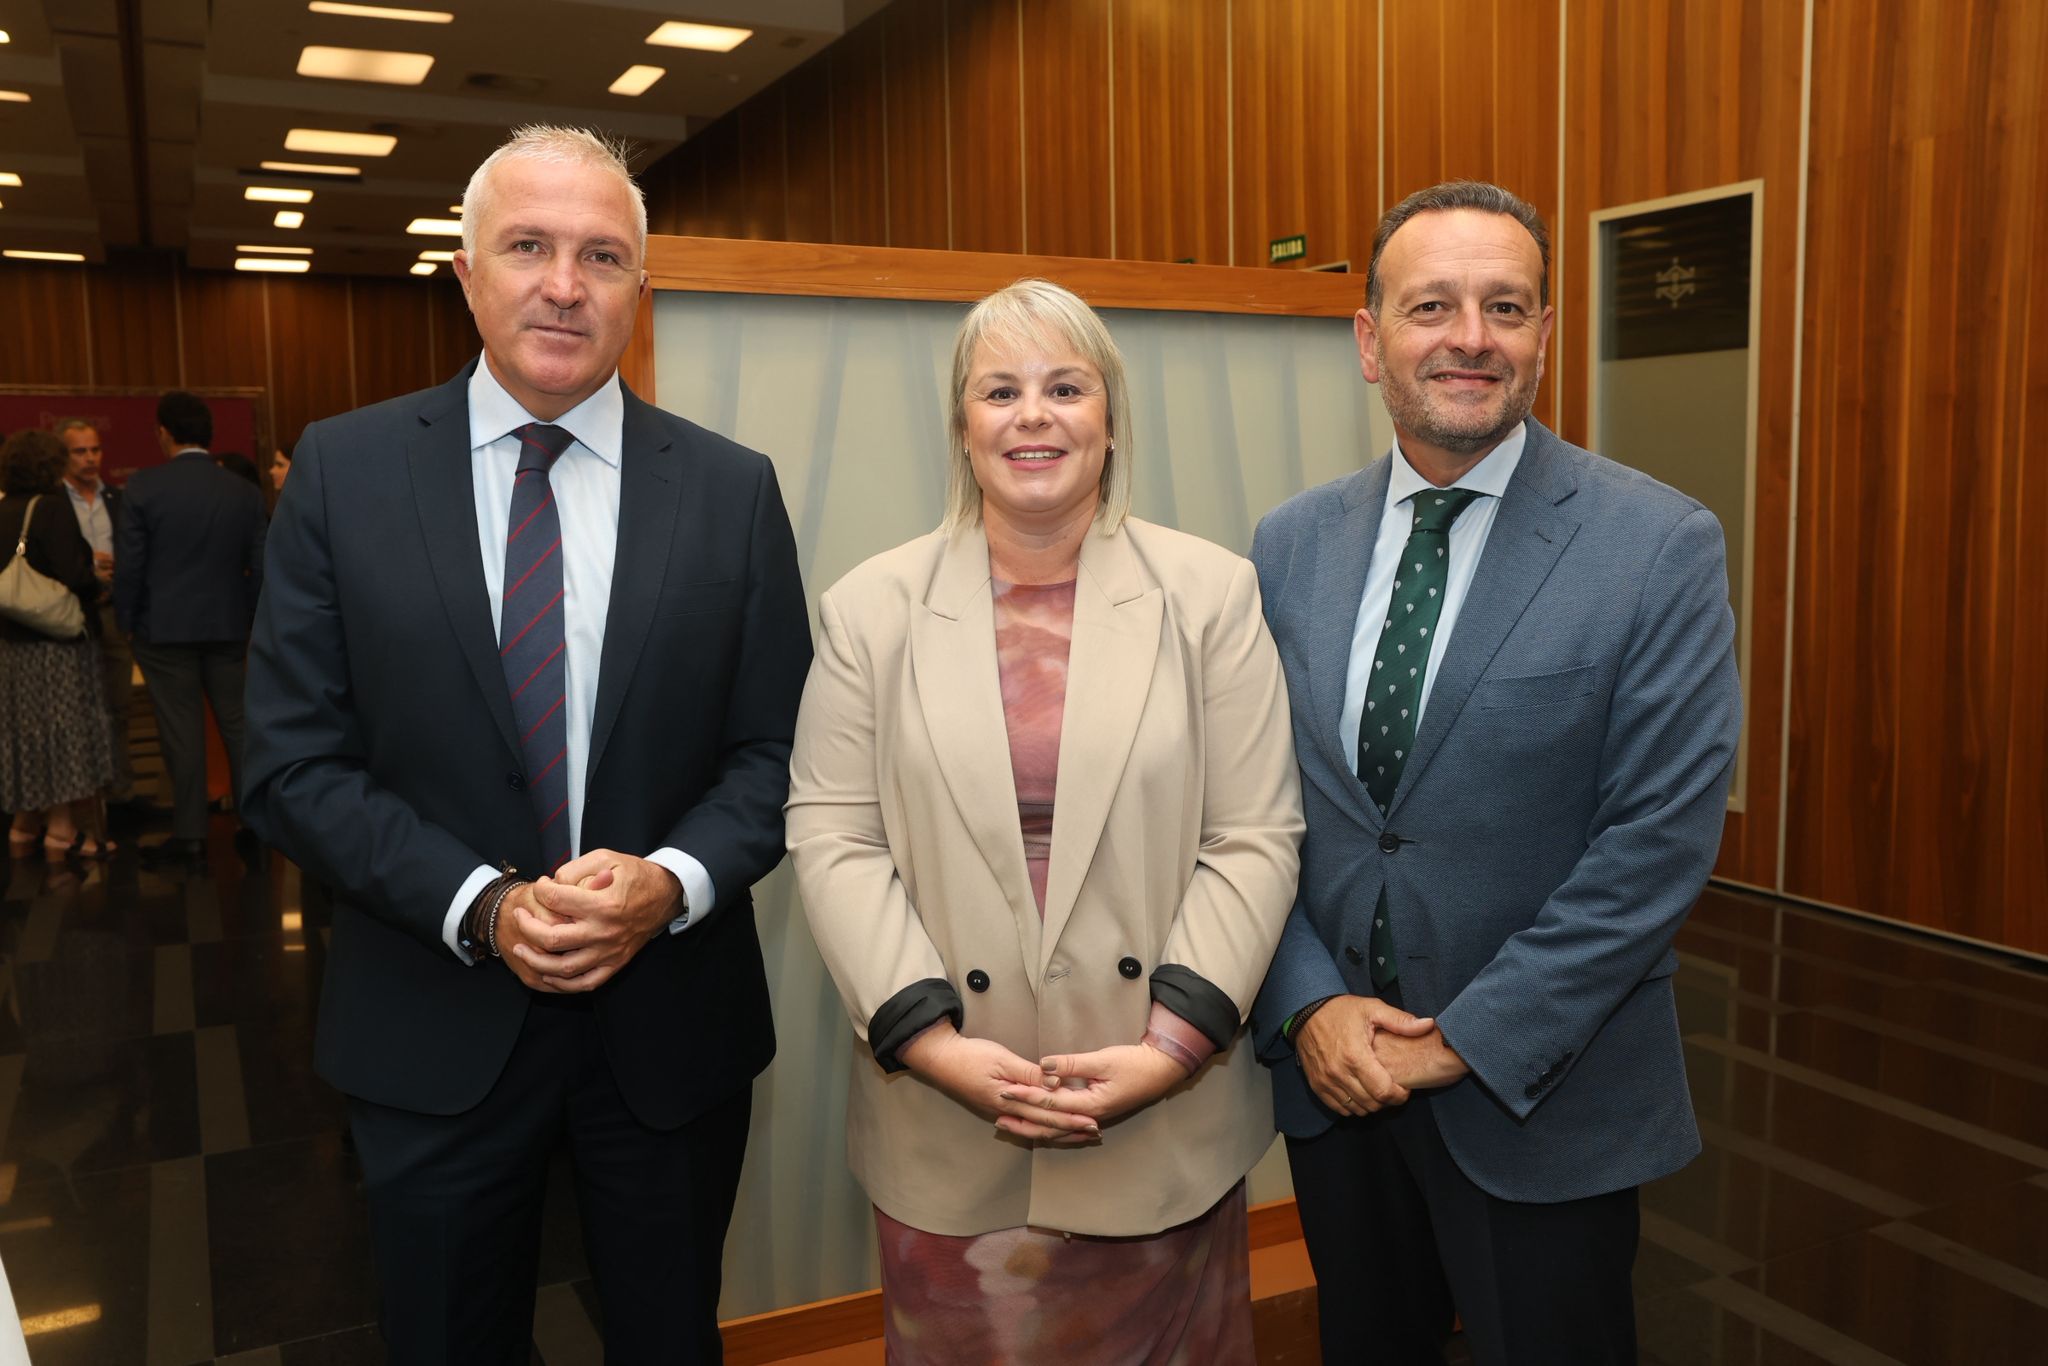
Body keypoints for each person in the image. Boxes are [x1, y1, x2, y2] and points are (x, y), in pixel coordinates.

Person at [240, 124, 811, 1365]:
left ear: (638, 288)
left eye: (600, 255)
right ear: (465, 274)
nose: (564, 284)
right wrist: (484, 904)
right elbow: (290, 764)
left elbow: (777, 755)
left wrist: (670, 882)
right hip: (430, 1017)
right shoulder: (343, 471)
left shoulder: (731, 490)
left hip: (669, 1031)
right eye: (528, 247)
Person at [1248, 179, 1742, 1366]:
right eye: (1430, 306)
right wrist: (1306, 1004)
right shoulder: (1288, 542)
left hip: (1542, 1096)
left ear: (1541, 335)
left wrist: (1461, 1039)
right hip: (1337, 1086)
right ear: (1368, 339)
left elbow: (1653, 845)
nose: (1469, 337)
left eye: (1504, 307)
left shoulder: (1656, 545)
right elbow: (1252, 807)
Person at [786, 278, 1304, 1363]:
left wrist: (1169, 1048)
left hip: (1161, 1107)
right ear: (961, 424)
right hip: (944, 1113)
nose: (1033, 416)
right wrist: (931, 1044)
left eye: (1066, 388)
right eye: (1000, 391)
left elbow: (1253, 835)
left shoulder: (1210, 596)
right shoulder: (868, 610)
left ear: (1110, 418)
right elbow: (834, 837)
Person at [113, 391, 268, 866]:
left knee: (181, 732)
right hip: (228, 626)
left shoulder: (143, 487)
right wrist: (248, 617)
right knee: (239, 728)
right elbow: (261, 566)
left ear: (164, 433)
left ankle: (190, 835)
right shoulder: (243, 491)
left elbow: (130, 566)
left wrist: (126, 621)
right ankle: (256, 825)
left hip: (163, 629)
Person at [1, 430, 116, 858]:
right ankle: (63, 829)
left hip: (12, 644)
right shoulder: (50, 507)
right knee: (63, 731)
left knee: (25, 733)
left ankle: (25, 822)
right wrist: (98, 586)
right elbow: (74, 573)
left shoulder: (3, 507)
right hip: (57, 645)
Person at [57, 418, 138, 812]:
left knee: (119, 705)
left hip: (112, 613)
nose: (90, 458)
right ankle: (84, 803)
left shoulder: (117, 499)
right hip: (68, 618)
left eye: (95, 449)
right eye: (80, 451)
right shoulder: (52, 502)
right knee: (76, 710)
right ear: (63, 455)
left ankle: (121, 795)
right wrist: (86, 570)